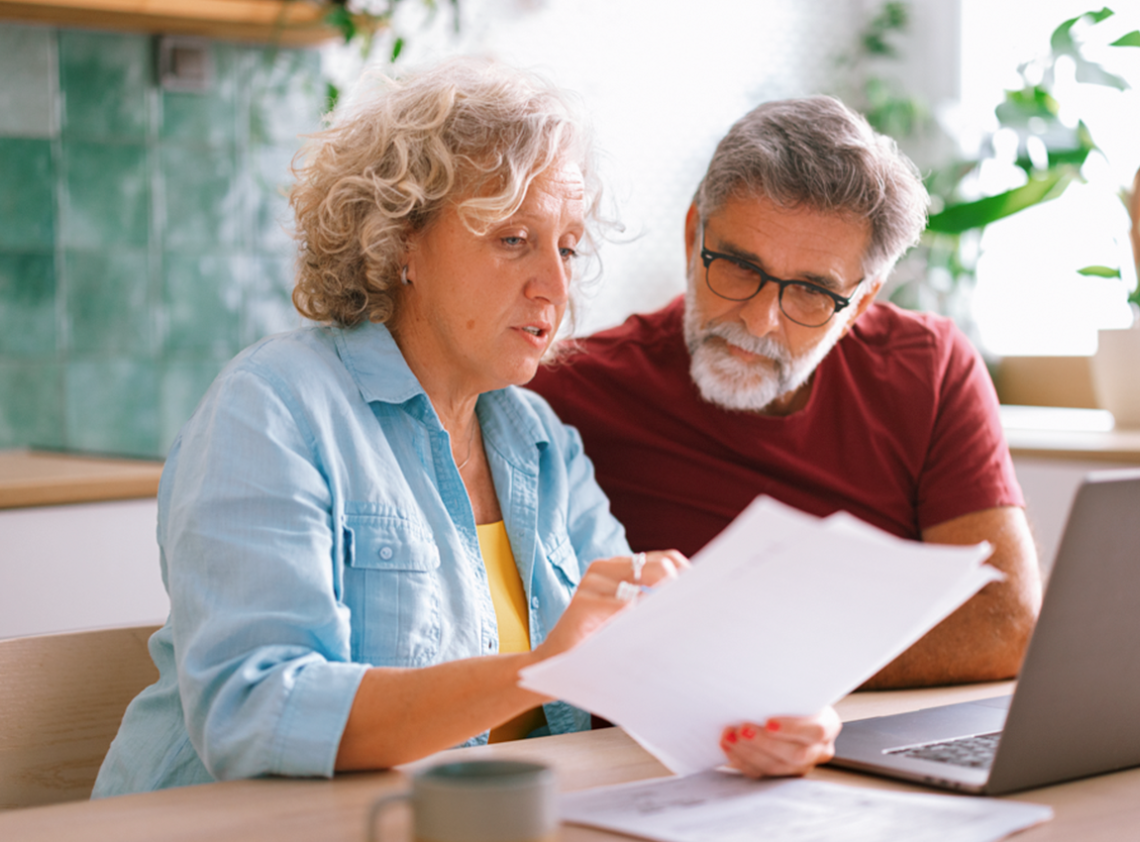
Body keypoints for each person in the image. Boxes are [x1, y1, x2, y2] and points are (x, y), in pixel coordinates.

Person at [93, 61, 839, 797]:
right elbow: (254, 712)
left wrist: (764, 712)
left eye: (566, 246)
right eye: (513, 238)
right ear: (400, 242)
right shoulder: (273, 408)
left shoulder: (539, 440)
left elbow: (645, 655)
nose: (555, 285)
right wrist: (544, 667)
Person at [530, 95, 1043, 690]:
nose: (760, 320)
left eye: (810, 293)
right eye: (739, 267)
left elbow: (1006, 624)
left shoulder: (930, 370)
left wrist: (764, 666)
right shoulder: (566, 390)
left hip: (872, 731)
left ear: (861, 303)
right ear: (694, 236)